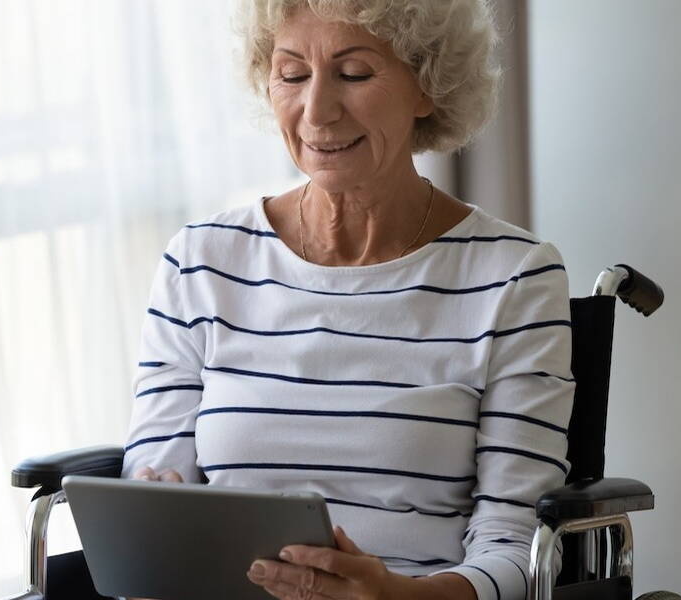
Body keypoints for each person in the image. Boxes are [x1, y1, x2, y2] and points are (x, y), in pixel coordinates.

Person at [122, 1, 573, 599]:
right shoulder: (201, 261)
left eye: (355, 74)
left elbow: (518, 549)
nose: (317, 110)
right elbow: (158, 479)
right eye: (292, 75)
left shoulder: (513, 275)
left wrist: (397, 598)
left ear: (428, 85)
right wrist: (156, 503)